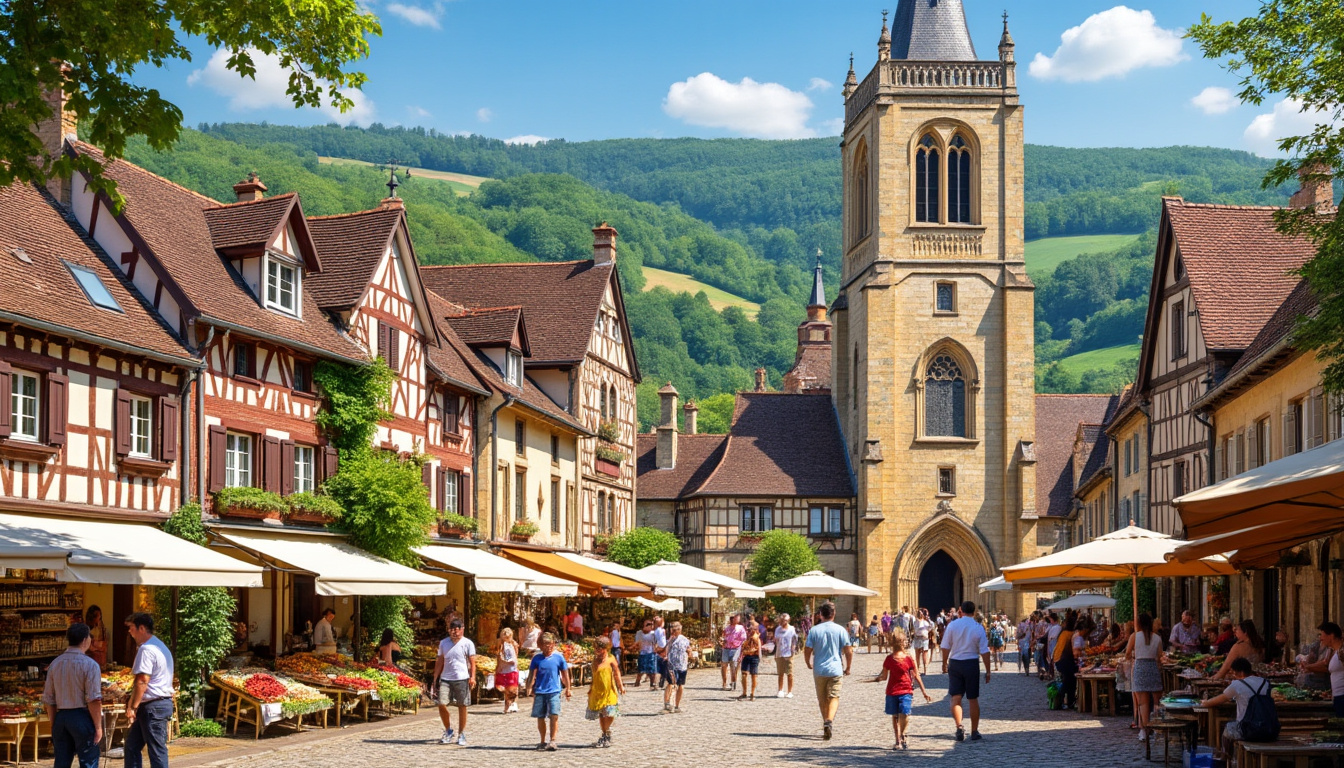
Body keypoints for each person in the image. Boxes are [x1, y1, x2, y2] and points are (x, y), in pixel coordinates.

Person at [42, 623, 102, 768]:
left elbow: (49, 699)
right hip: (81, 716)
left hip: (61, 716)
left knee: (61, 762)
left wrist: (54, 723)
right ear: (84, 640)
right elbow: (93, 699)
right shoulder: (90, 665)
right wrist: (98, 727)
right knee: (88, 761)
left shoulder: (55, 664)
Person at [123, 613, 173, 768]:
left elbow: (142, 680)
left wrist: (133, 707)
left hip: (153, 706)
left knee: (157, 752)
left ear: (142, 628)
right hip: (155, 705)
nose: (129, 632)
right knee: (131, 746)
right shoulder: (159, 645)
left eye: (131, 628)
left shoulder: (147, 649)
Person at [869, 629, 932, 751]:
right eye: (901, 641)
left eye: (903, 641)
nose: (903, 643)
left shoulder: (909, 659)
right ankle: (898, 740)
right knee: (895, 716)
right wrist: (878, 678)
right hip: (892, 691)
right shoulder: (889, 659)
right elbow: (885, 676)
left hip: (906, 690)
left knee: (905, 713)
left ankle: (902, 733)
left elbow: (916, 675)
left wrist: (924, 691)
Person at [940, 600, 991, 743]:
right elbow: (985, 651)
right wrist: (988, 671)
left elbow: (945, 646)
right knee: (972, 699)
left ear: (960, 610)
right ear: (974, 612)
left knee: (956, 698)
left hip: (955, 663)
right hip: (971, 663)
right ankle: (974, 731)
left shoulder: (952, 625)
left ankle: (959, 726)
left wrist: (944, 663)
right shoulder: (978, 627)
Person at [1201, 656, 1273, 752]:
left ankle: (1225, 759)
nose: (1234, 676)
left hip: (1249, 730)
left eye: (1234, 673)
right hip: (1269, 729)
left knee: (1228, 728)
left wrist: (1205, 703)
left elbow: (1218, 700)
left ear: (1241, 672)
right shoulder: (1265, 682)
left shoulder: (1237, 685)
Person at [804, 601, 852, 741]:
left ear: (820, 615)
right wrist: (848, 667)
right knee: (834, 697)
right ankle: (829, 721)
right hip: (836, 669)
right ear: (834, 614)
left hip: (819, 669)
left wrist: (808, 662)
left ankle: (826, 720)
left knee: (822, 699)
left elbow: (807, 649)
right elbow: (848, 650)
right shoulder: (840, 630)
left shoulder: (814, 630)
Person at [432, 618, 476, 747]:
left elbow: (472, 661)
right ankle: (448, 729)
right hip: (446, 678)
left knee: (462, 705)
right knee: (441, 703)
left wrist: (472, 676)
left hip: (462, 678)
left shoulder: (468, 643)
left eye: (457, 630)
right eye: (452, 630)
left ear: (462, 630)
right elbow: (440, 660)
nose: (454, 633)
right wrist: (435, 677)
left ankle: (461, 733)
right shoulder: (443, 643)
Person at [525, 632, 571, 751]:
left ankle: (553, 740)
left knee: (554, 715)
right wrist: (529, 687)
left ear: (554, 644)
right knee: (540, 717)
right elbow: (531, 674)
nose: (547, 647)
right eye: (544, 644)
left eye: (550, 644)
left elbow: (565, 674)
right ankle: (542, 741)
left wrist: (568, 689)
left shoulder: (558, 657)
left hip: (554, 691)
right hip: (540, 691)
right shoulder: (537, 658)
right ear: (540, 645)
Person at [1126, 612, 1166, 741]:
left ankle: (1144, 730)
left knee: (1143, 703)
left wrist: (1134, 655)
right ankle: (1157, 727)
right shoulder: (1157, 638)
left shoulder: (1134, 636)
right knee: (1157, 701)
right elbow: (1160, 656)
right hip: (1152, 666)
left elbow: (1127, 653)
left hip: (1140, 667)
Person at [586, 635, 624, 748]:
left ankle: (607, 732)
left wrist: (621, 686)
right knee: (602, 714)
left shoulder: (611, 659)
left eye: (599, 648)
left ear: (606, 648)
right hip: (597, 691)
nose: (597, 650)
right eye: (596, 648)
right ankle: (605, 734)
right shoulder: (595, 660)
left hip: (609, 690)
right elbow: (594, 675)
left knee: (610, 712)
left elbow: (617, 673)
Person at [1302, 622, 1344, 716]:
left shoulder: (1342, 652)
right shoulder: (1333, 651)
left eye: (1322, 635)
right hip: (1337, 696)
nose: (1320, 638)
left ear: (1331, 635)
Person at [662, 621, 691, 713]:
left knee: (680, 685)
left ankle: (677, 705)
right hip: (671, 665)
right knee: (671, 683)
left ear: (679, 630)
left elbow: (689, 649)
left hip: (682, 666)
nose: (672, 632)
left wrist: (689, 652)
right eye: (672, 630)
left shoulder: (684, 640)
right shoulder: (670, 639)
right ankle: (667, 703)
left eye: (674, 630)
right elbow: (665, 648)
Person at [1053, 614, 1079, 710]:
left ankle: (1068, 701)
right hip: (1063, 660)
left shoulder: (1064, 633)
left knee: (1069, 681)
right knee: (1068, 681)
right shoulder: (1069, 634)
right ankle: (1062, 701)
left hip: (1060, 659)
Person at [495, 627, 520, 714]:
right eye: (504, 636)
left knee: (512, 688)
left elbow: (516, 656)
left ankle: (513, 704)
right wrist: (498, 666)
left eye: (507, 637)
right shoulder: (500, 644)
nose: (506, 638)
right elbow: (498, 656)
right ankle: (507, 704)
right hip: (503, 668)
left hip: (511, 668)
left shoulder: (514, 644)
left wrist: (515, 665)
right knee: (504, 688)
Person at [773, 613, 797, 698]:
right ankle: (780, 690)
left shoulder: (791, 629)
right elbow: (775, 641)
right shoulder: (777, 629)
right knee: (780, 673)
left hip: (788, 654)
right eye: (782, 620)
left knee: (789, 673)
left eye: (786, 620)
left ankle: (790, 691)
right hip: (779, 653)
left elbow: (794, 641)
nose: (784, 622)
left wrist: (792, 651)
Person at [720, 614, 746, 691]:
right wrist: (722, 641)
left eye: (734, 619)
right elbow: (723, 636)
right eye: (731, 619)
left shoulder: (740, 628)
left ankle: (733, 682)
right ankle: (724, 683)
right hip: (726, 648)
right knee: (724, 665)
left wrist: (740, 647)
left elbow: (744, 638)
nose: (732, 620)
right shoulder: (727, 628)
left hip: (735, 648)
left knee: (733, 665)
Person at [634, 619, 660, 690]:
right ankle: (637, 682)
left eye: (651, 624)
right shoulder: (639, 633)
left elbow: (656, 643)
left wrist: (656, 649)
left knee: (652, 670)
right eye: (648, 624)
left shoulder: (653, 634)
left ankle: (653, 684)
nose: (650, 626)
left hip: (651, 652)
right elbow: (637, 643)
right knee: (640, 669)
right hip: (642, 652)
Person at [738, 626, 761, 701]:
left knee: (754, 676)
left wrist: (759, 658)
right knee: (744, 675)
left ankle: (752, 693)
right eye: (749, 629)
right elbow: (742, 648)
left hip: (754, 657)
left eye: (753, 629)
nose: (751, 631)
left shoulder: (757, 638)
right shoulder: (746, 638)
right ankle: (744, 693)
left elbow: (758, 649)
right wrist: (740, 656)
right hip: (746, 657)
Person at [912, 609, 934, 675]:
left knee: (924, 655)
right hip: (918, 638)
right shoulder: (915, 622)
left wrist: (928, 619)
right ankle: (918, 669)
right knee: (917, 655)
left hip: (924, 639)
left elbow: (931, 626)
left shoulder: (925, 622)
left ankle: (925, 670)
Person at [653, 615, 669, 689]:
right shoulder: (661, 631)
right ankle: (663, 680)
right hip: (662, 650)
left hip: (657, 650)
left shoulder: (654, 631)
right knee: (664, 666)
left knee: (657, 668)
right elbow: (662, 642)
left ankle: (655, 684)